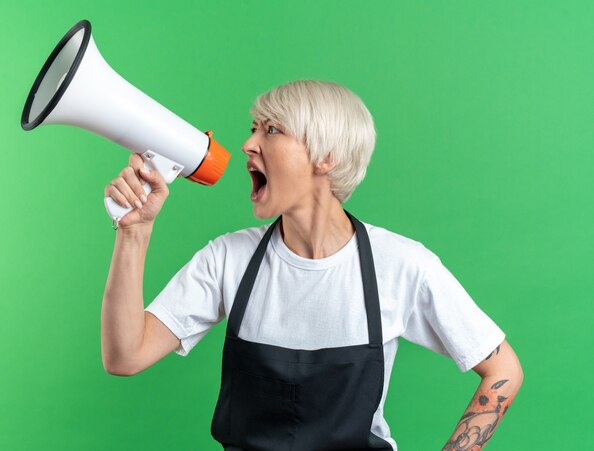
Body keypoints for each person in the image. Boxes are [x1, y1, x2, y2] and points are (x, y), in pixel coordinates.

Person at [101, 80, 523, 450]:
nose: (248, 143)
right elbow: (125, 356)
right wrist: (133, 232)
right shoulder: (228, 258)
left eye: (272, 130)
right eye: (253, 129)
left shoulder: (402, 265)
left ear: (327, 158)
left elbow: (503, 369)